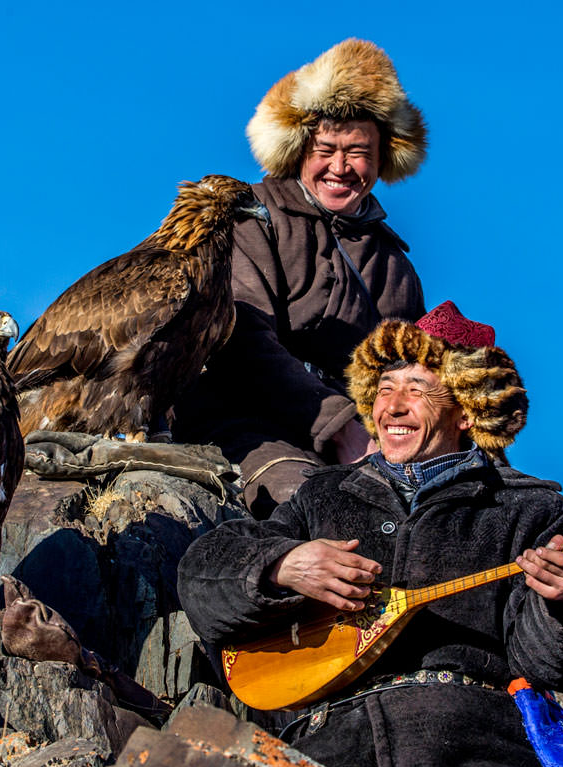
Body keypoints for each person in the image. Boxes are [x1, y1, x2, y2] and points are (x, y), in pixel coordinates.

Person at [177, 304, 563, 767]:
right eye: (385, 389)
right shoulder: (325, 495)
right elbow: (201, 575)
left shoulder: (534, 511)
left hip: (477, 764)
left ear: (467, 411)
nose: (393, 406)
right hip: (327, 754)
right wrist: (282, 565)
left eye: (418, 390)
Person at [171, 39, 427, 518]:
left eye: (359, 152)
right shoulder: (250, 216)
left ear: (382, 158)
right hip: (244, 422)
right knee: (315, 510)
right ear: (298, 149)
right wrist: (339, 424)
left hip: (364, 437)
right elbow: (240, 341)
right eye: (326, 149)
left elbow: (413, 376)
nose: (341, 168)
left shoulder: (395, 264)